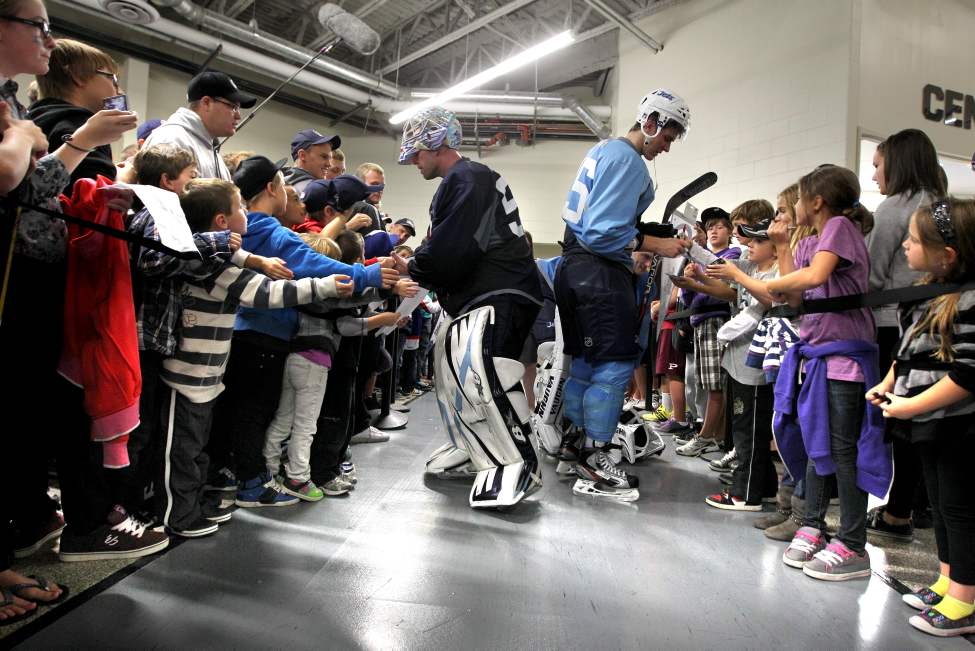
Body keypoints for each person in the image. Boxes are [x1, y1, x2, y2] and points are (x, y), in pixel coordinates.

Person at [1, 0, 161, 572]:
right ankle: (86, 519)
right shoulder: (64, 127)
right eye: (107, 74)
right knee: (69, 403)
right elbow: (34, 196)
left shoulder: (27, 118)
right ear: (77, 77)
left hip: (39, 279)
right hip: (51, 282)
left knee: (32, 411)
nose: (114, 83)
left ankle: (33, 517)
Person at [158, 178, 352, 534]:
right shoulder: (212, 266)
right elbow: (265, 295)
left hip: (207, 375)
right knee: (182, 450)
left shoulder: (222, 258)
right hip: (186, 375)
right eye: (240, 208)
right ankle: (178, 515)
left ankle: (193, 502)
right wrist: (326, 284)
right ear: (221, 222)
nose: (247, 212)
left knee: (198, 447)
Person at [399, 106, 544, 509]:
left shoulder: (466, 179)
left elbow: (453, 249)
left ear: (435, 143)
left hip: (500, 292)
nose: (413, 161)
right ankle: (474, 447)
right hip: (491, 291)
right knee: (454, 375)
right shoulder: (469, 179)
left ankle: (515, 462)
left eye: (417, 152)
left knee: (487, 373)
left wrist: (414, 265)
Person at [555, 89, 691, 500]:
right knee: (614, 366)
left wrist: (643, 241)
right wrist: (656, 244)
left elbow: (596, 225)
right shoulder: (628, 159)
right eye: (667, 137)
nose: (666, 148)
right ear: (650, 122)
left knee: (585, 364)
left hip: (575, 268)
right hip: (597, 274)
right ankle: (596, 460)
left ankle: (574, 447)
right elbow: (602, 230)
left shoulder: (605, 151)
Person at [768, 164, 888, 582]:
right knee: (815, 441)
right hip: (817, 356)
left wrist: (747, 280)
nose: (794, 207)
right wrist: (782, 247)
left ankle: (854, 543)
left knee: (843, 449)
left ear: (816, 202)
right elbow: (791, 292)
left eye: (799, 199)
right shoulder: (812, 242)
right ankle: (813, 525)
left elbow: (815, 278)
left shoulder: (839, 226)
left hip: (845, 360)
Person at [871, 198, 975, 637]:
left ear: (947, 255)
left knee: (959, 509)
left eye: (913, 241)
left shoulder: (968, 300)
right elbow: (906, 352)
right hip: (927, 420)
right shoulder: (927, 292)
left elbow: (969, 372)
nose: (906, 247)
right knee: (939, 501)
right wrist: (889, 383)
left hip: (957, 423)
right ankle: (948, 582)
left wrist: (911, 406)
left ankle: (966, 599)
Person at [865, 128, 946, 542]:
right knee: (929, 418)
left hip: (895, 327)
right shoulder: (941, 206)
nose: (875, 174)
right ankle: (918, 504)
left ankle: (898, 511)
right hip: (938, 327)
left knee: (898, 418)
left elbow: (873, 276)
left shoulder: (894, 209)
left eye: (878, 165)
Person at [28, 38, 124, 183]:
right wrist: (127, 176)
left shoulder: (35, 120)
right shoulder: (79, 125)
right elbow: (96, 190)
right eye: (113, 79)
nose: (119, 90)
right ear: (78, 76)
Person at [142, 71, 255, 180]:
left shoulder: (211, 152)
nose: (238, 116)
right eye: (233, 107)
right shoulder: (172, 140)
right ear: (206, 103)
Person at [283, 128, 340, 193]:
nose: (329, 164)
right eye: (324, 157)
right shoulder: (313, 191)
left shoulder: (282, 182)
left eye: (330, 158)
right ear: (302, 155)